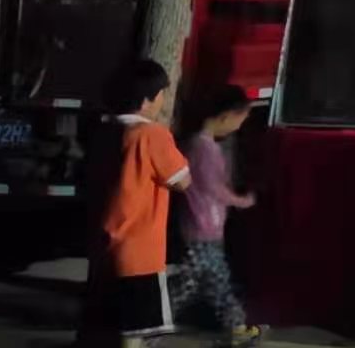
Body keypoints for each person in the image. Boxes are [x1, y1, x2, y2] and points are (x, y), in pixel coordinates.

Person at [80, 60, 190, 348]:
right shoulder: (152, 135)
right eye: (162, 94)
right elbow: (182, 180)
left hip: (105, 249)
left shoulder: (104, 132)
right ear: (145, 100)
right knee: (134, 334)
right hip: (140, 256)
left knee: (107, 330)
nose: (163, 101)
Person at [173, 85, 262, 346]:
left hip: (203, 227)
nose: (239, 127)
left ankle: (237, 328)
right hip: (202, 227)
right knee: (190, 285)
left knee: (215, 282)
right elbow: (213, 188)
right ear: (226, 116)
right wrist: (242, 201)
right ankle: (149, 322)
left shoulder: (199, 145)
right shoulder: (204, 149)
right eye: (240, 120)